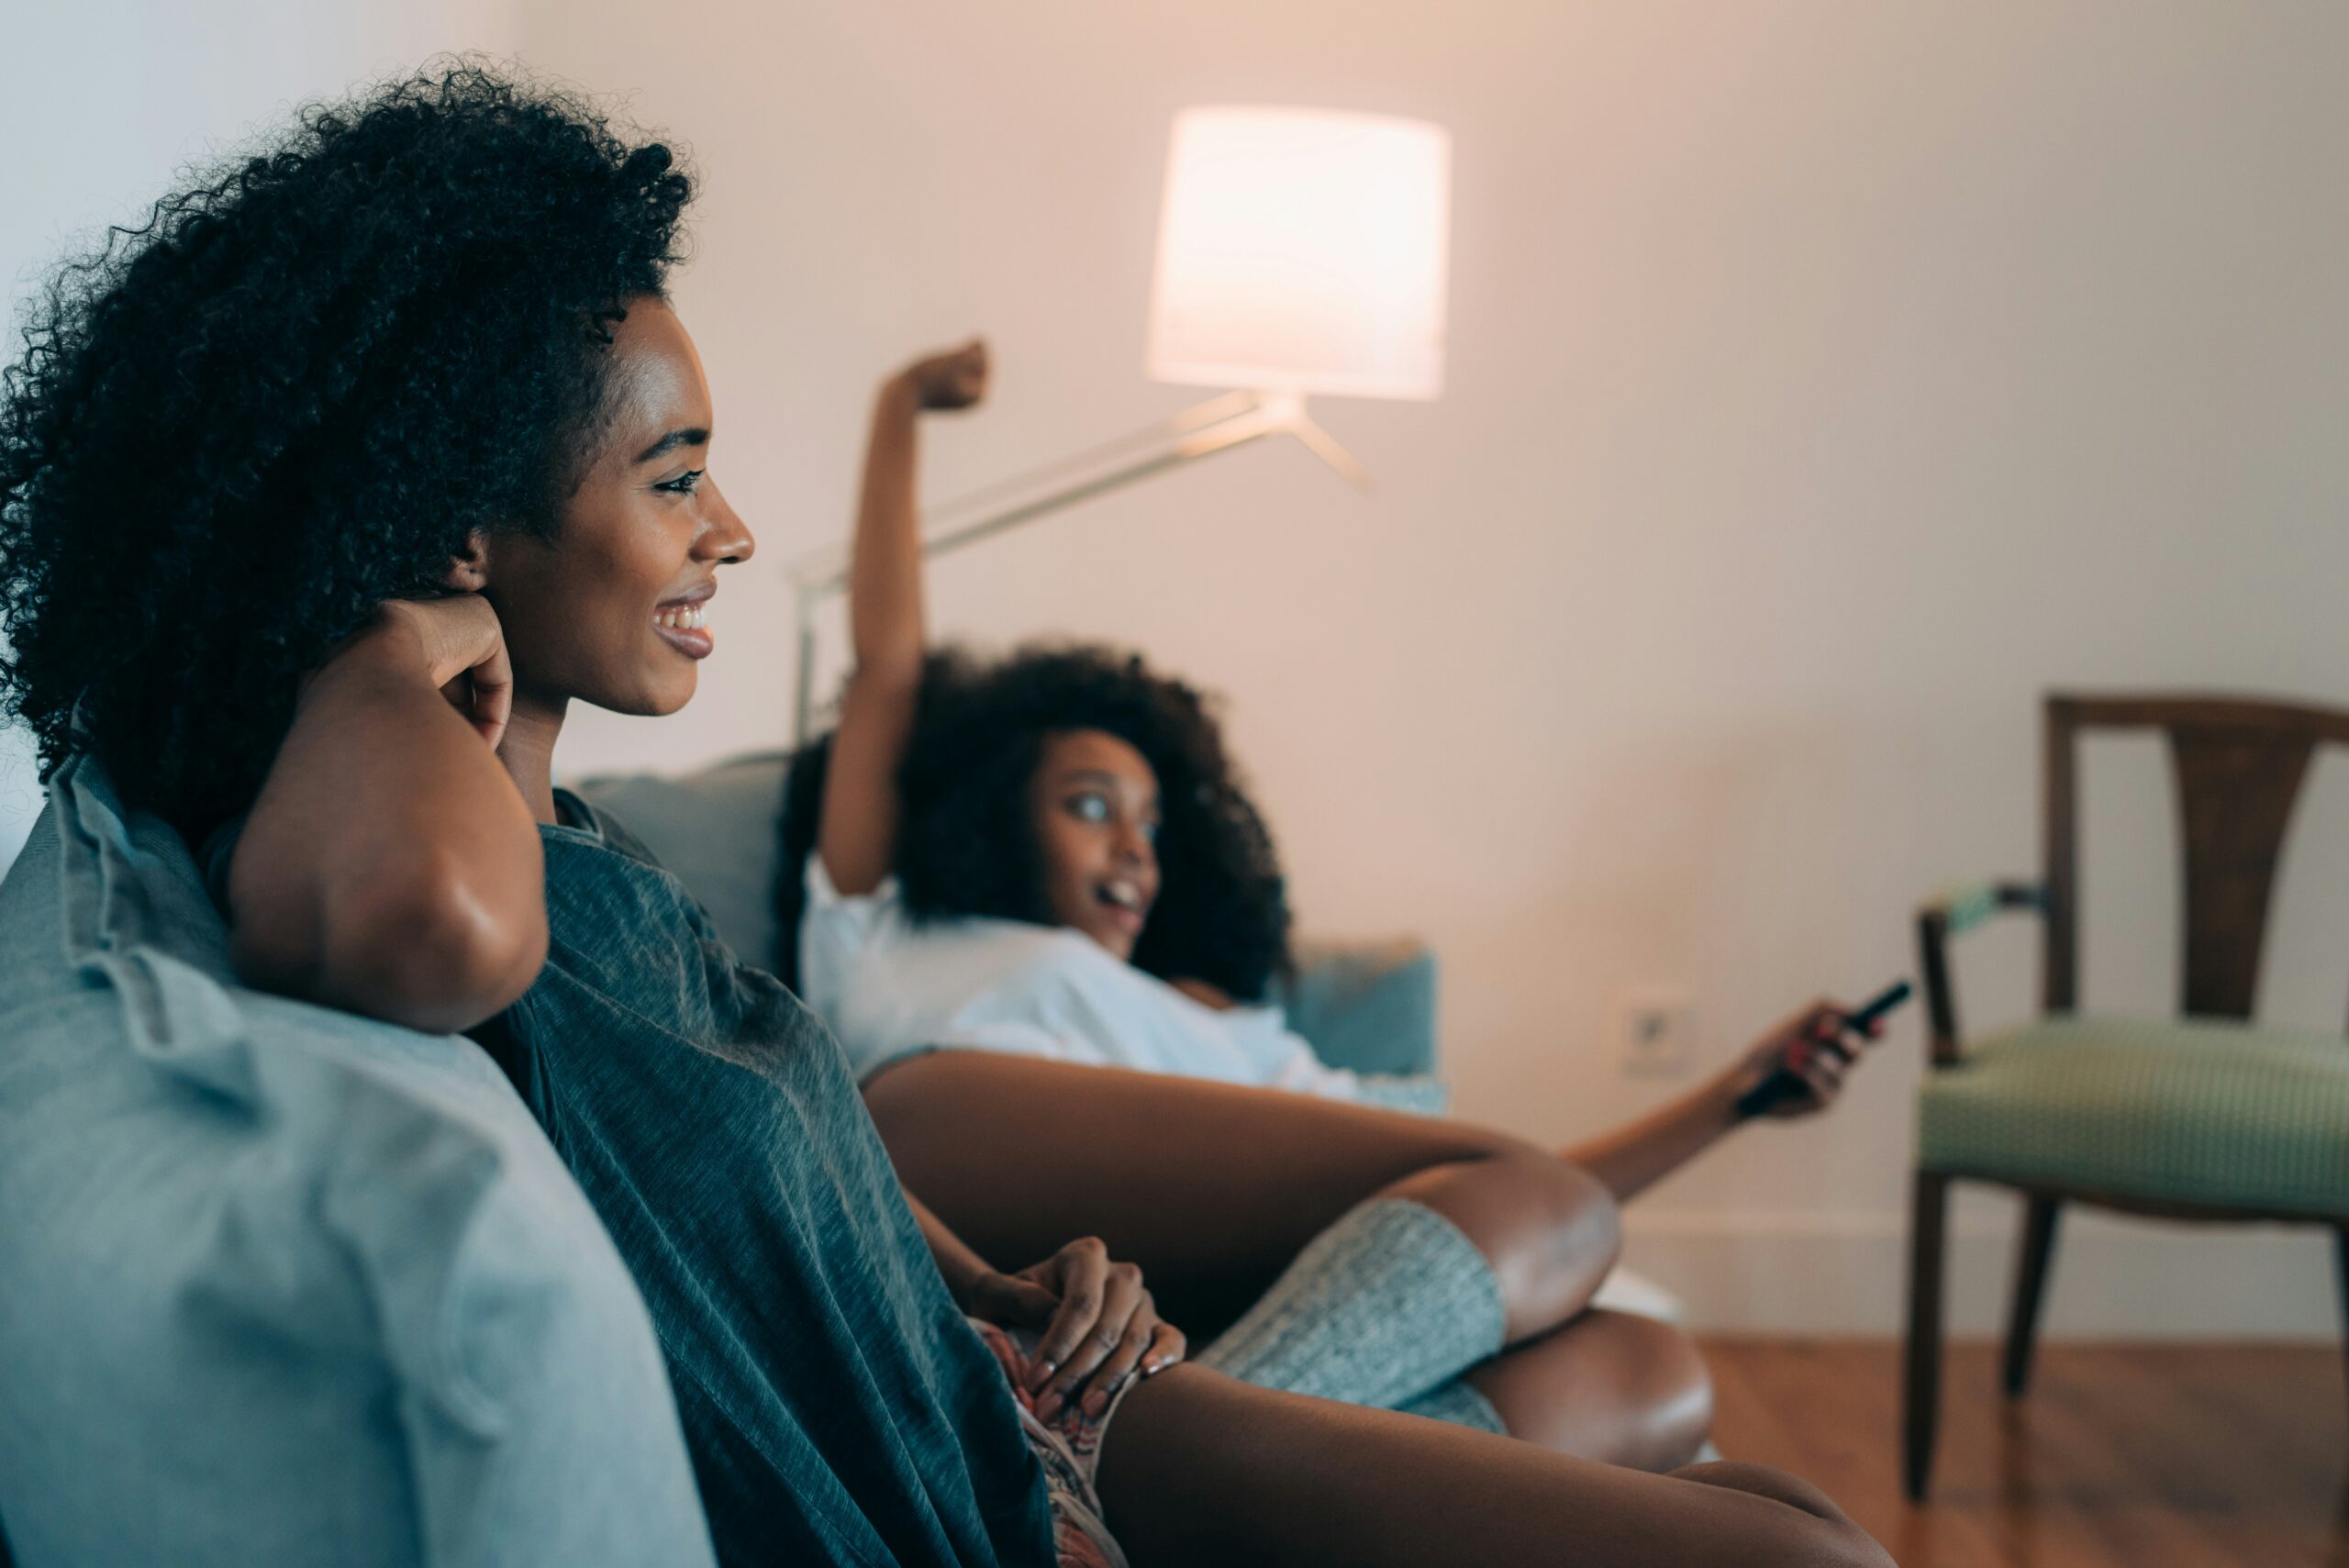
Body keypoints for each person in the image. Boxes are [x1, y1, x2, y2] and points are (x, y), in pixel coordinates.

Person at [0, 64, 1892, 1568]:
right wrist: (381, 643)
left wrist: (1004, 1278)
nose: (728, 530)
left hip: (1003, 1392)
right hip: (1006, 1490)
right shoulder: (401, 837)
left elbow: (764, 1143)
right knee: (1791, 1545)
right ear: (448, 526)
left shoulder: (588, 848)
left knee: (1727, 1454)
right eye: (676, 475)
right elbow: (430, 925)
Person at [776, 340, 1889, 1439]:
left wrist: (1733, 1100)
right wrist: (900, 405)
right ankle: (1161, 1465)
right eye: (1089, 804)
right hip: (941, 1142)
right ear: (988, 811)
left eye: (1153, 822)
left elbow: (1522, 1202)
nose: (1134, 848)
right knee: (1555, 1212)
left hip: (1173, 1284)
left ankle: (1174, 1477)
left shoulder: (1218, 1027)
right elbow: (890, 666)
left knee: (1644, 1365)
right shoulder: (894, 917)